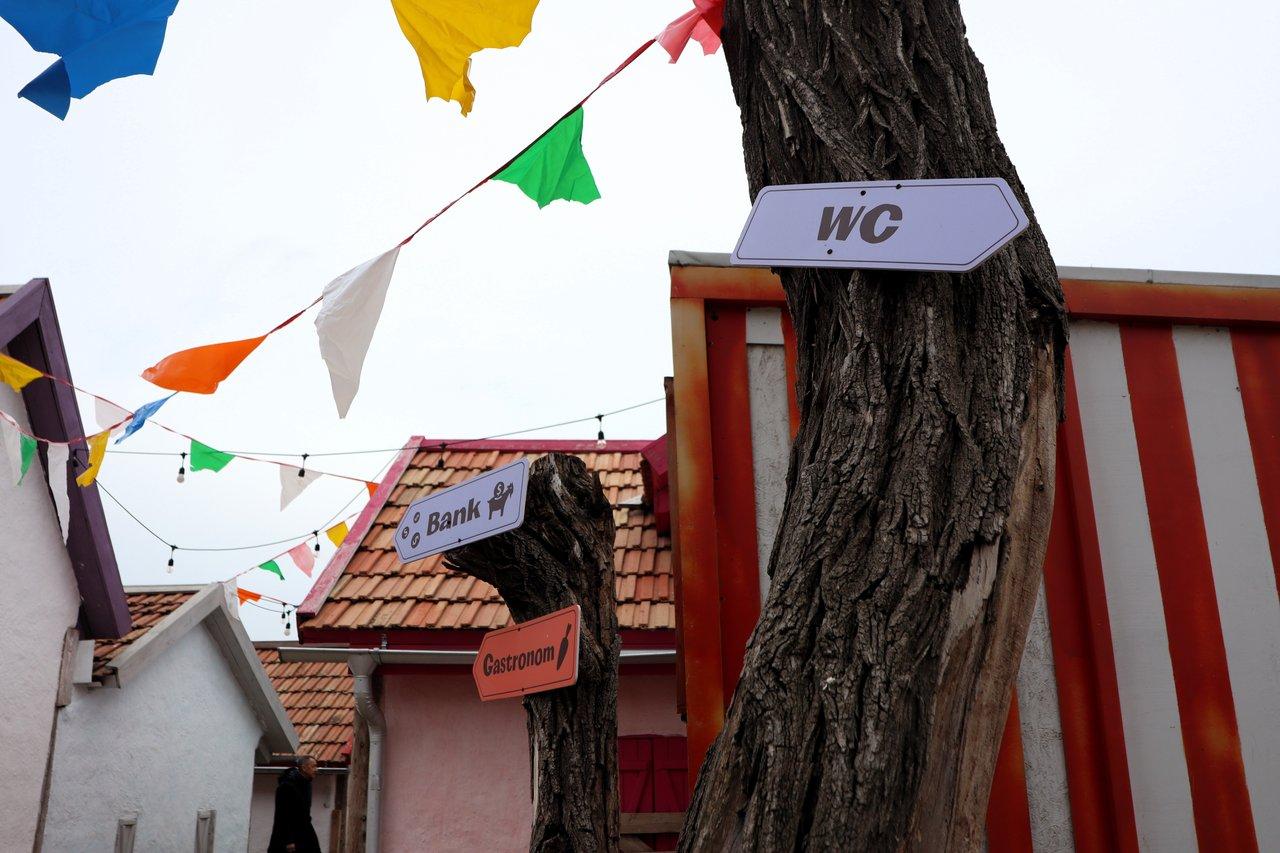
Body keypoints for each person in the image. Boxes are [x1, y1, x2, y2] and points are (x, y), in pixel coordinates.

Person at [267, 755, 321, 853]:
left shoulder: (307, 784)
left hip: (305, 832)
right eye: (313, 766)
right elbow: (282, 815)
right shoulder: (287, 786)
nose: (316, 769)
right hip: (289, 835)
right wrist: (288, 840)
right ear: (304, 768)